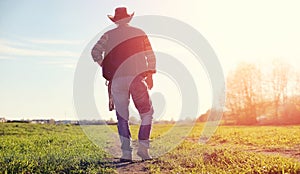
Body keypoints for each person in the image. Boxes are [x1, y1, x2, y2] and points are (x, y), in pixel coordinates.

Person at [91, 7, 156, 162]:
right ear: (128, 19)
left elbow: (95, 52)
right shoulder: (140, 33)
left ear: (115, 20)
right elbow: (150, 55)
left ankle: (126, 154)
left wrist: (105, 66)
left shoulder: (107, 35)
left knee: (122, 118)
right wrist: (150, 74)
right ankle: (143, 149)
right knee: (147, 113)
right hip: (137, 78)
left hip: (116, 80)